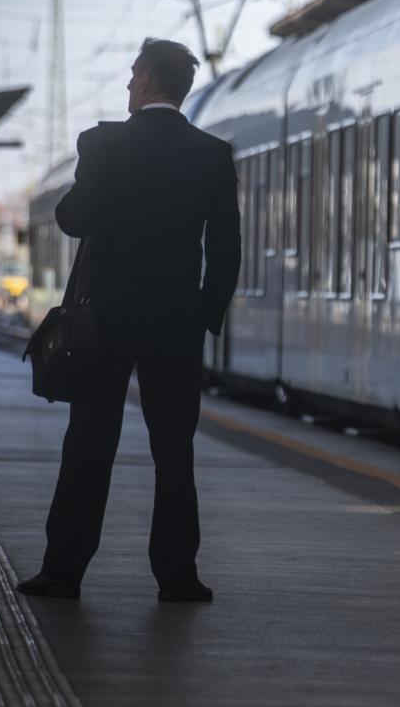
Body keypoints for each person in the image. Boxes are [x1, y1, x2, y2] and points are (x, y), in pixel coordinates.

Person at [16, 38, 240, 603]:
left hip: (103, 322)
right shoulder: (212, 154)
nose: (127, 85)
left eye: (130, 76)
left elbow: (73, 219)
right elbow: (228, 251)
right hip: (176, 325)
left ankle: (64, 571)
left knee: (90, 444)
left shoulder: (105, 142)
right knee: (174, 449)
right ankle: (177, 575)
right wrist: (203, 315)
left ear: (143, 82)